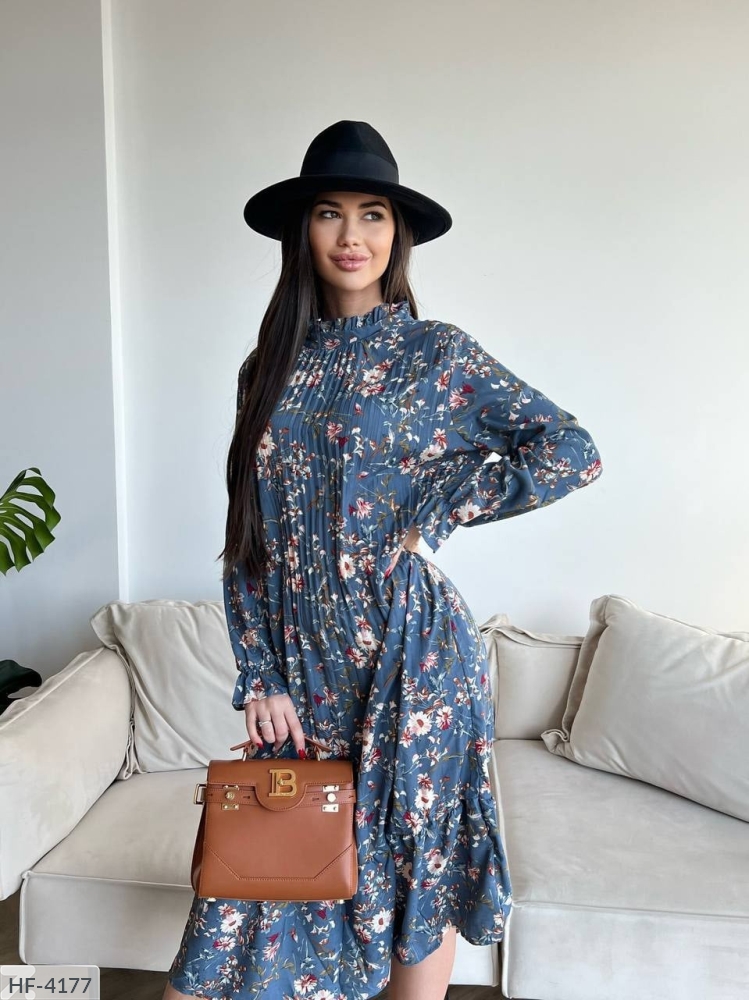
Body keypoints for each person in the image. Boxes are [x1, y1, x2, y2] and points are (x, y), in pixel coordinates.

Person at [164, 120, 604, 1000]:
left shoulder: (436, 355)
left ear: (397, 233)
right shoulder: (267, 367)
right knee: (275, 858)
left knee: (413, 862)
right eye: (329, 212)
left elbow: (571, 450)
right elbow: (247, 536)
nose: (351, 234)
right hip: (304, 664)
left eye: (372, 214)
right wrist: (260, 675)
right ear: (303, 231)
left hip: (413, 654)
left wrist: (439, 511)